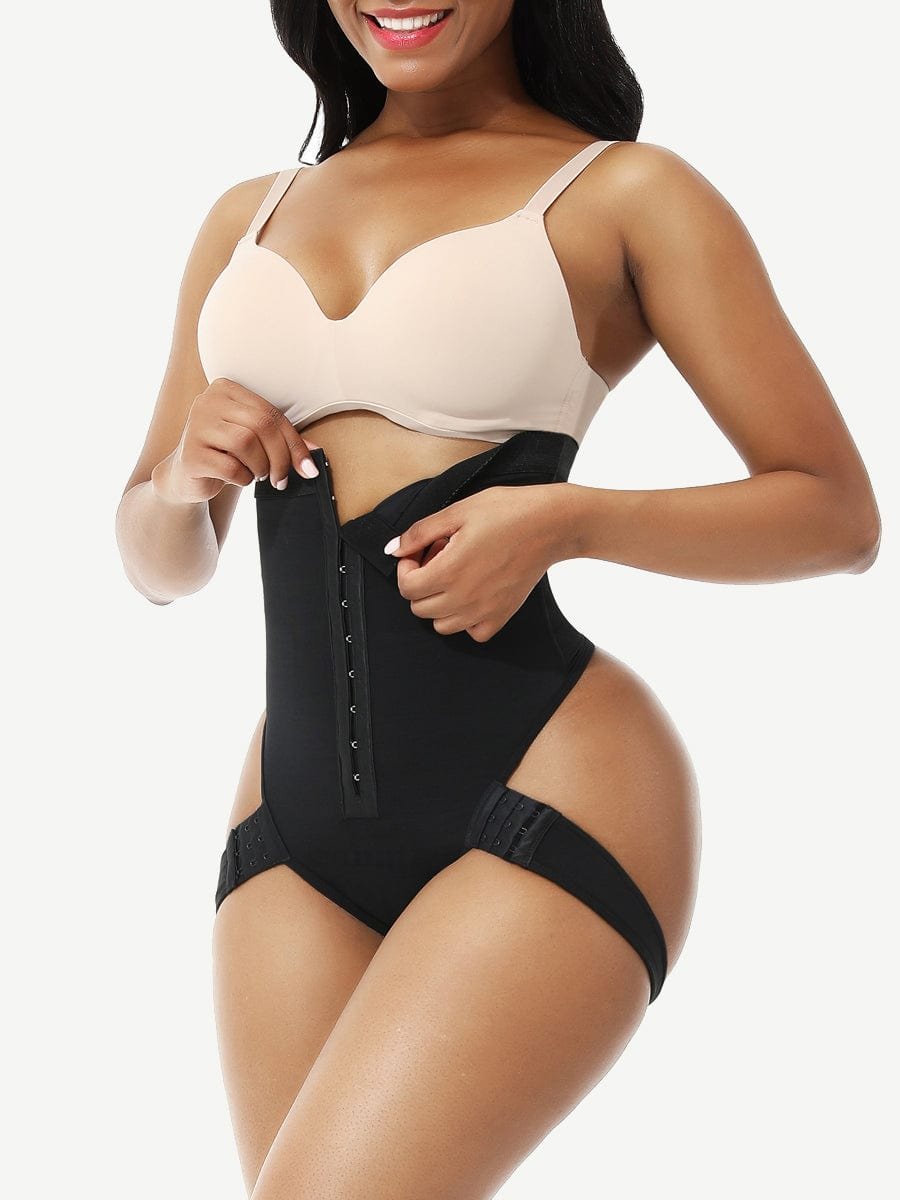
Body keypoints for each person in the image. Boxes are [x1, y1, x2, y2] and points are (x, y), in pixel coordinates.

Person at [114, 2, 881, 1197]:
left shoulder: (623, 194)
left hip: (547, 783)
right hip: (290, 827)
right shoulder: (246, 216)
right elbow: (160, 564)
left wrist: (568, 522)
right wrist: (179, 478)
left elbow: (835, 516)